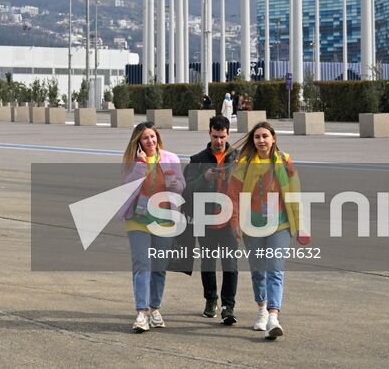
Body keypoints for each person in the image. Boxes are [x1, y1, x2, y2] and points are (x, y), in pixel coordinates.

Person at [231, 121, 309, 340]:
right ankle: (262, 309)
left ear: (273, 138)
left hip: (280, 225)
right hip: (252, 225)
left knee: (275, 268)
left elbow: (295, 193)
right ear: (253, 140)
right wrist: (235, 221)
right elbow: (233, 194)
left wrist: (300, 224)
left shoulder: (285, 161)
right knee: (258, 270)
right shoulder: (244, 163)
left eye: (265, 136)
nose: (261, 140)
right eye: (257, 137)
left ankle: (273, 316)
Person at [119, 121, 185, 333]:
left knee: (159, 267)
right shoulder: (132, 162)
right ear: (138, 142)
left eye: (152, 136)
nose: (150, 141)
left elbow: (181, 185)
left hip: (164, 219)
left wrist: (176, 185)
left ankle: (155, 309)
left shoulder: (171, 158)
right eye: (145, 138)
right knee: (142, 264)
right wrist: (141, 164)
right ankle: (141, 312)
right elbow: (127, 187)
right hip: (138, 220)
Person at [183, 114, 240, 325]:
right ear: (209, 133)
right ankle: (211, 299)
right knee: (208, 261)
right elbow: (186, 190)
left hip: (230, 219)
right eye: (215, 136)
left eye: (222, 137)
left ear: (228, 134)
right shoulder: (197, 160)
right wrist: (203, 178)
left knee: (230, 263)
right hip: (205, 218)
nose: (218, 141)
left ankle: (228, 306)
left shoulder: (238, 158)